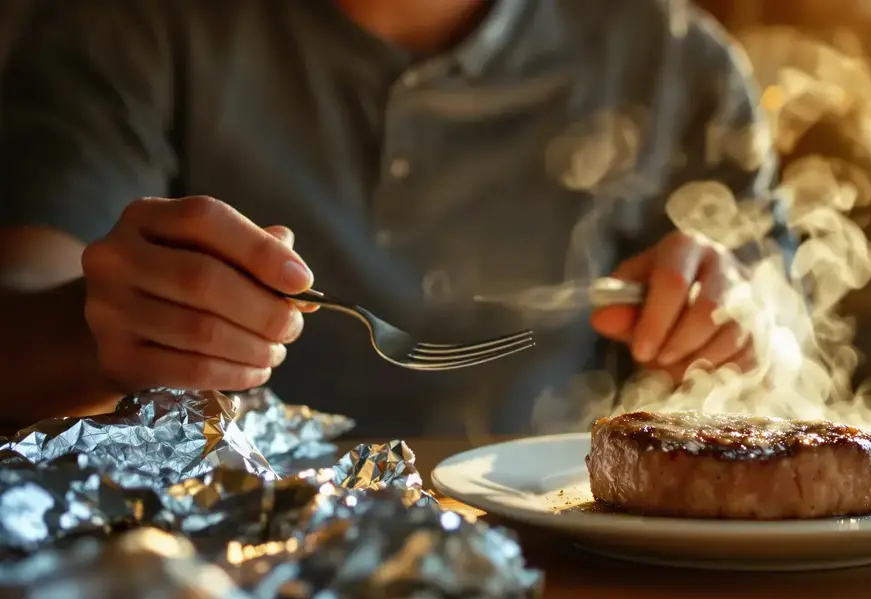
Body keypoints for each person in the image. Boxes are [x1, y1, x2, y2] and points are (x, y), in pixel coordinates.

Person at [0, 0, 790, 438]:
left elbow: (790, 336)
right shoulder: (123, 24)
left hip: (575, 575)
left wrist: (739, 324)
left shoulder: (672, 57)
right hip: (211, 572)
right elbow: (18, 319)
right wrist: (95, 327)